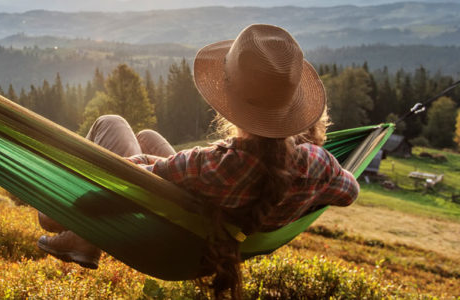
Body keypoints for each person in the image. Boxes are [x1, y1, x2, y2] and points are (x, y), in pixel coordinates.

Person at [35, 24, 359, 297]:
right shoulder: (319, 165)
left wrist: (62, 206)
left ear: (228, 100)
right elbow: (349, 192)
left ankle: (84, 237)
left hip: (172, 236)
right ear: (291, 108)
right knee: (147, 135)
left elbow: (131, 183)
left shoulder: (209, 166)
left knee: (111, 123)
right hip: (212, 234)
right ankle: (83, 239)